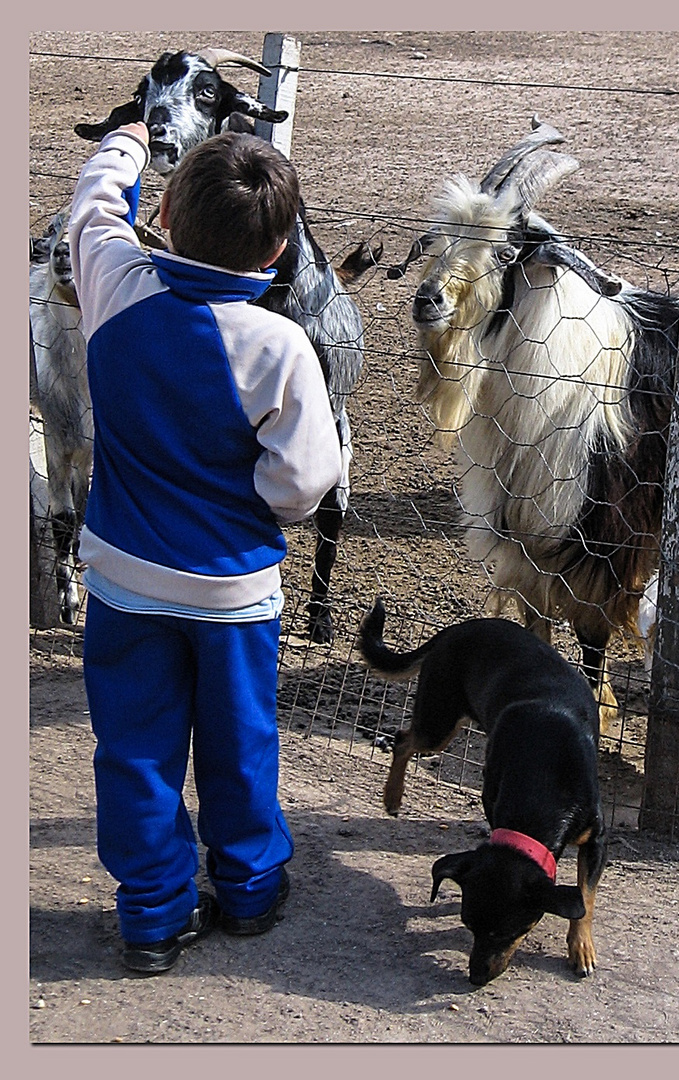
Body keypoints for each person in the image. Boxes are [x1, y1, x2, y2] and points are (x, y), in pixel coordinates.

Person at [68, 124, 344, 974]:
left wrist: (125, 148)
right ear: (277, 250)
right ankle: (251, 888)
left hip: (122, 580)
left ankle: (152, 916)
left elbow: (89, 214)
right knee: (240, 741)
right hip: (231, 593)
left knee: (136, 751)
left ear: (166, 218)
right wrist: (241, 503)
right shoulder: (278, 346)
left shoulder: (114, 287)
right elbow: (304, 481)